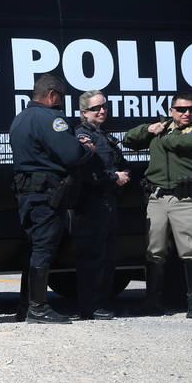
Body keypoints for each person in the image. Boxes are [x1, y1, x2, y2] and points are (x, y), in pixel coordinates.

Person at [9, 73, 93, 324]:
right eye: (61, 97)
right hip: (46, 194)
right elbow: (70, 155)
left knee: (34, 248)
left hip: (27, 193)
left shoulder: (20, 118)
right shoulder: (51, 119)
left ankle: (27, 306)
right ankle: (37, 308)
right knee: (44, 248)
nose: (61, 102)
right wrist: (86, 149)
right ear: (52, 94)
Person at [123, 93, 192, 318]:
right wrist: (148, 130)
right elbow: (128, 140)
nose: (187, 113)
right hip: (157, 197)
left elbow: (185, 142)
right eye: (181, 110)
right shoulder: (162, 127)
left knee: (190, 249)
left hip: (186, 198)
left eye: (191, 109)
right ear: (171, 110)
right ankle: (153, 302)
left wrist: (163, 133)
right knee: (155, 250)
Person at [72, 90, 130, 320]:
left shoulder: (102, 135)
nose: (102, 111)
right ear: (84, 112)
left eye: (104, 106)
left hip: (108, 201)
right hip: (90, 203)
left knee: (107, 256)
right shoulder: (82, 135)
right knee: (92, 257)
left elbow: (118, 162)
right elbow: (88, 173)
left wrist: (124, 174)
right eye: (96, 108)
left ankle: (102, 303)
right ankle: (90, 306)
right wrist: (114, 178)